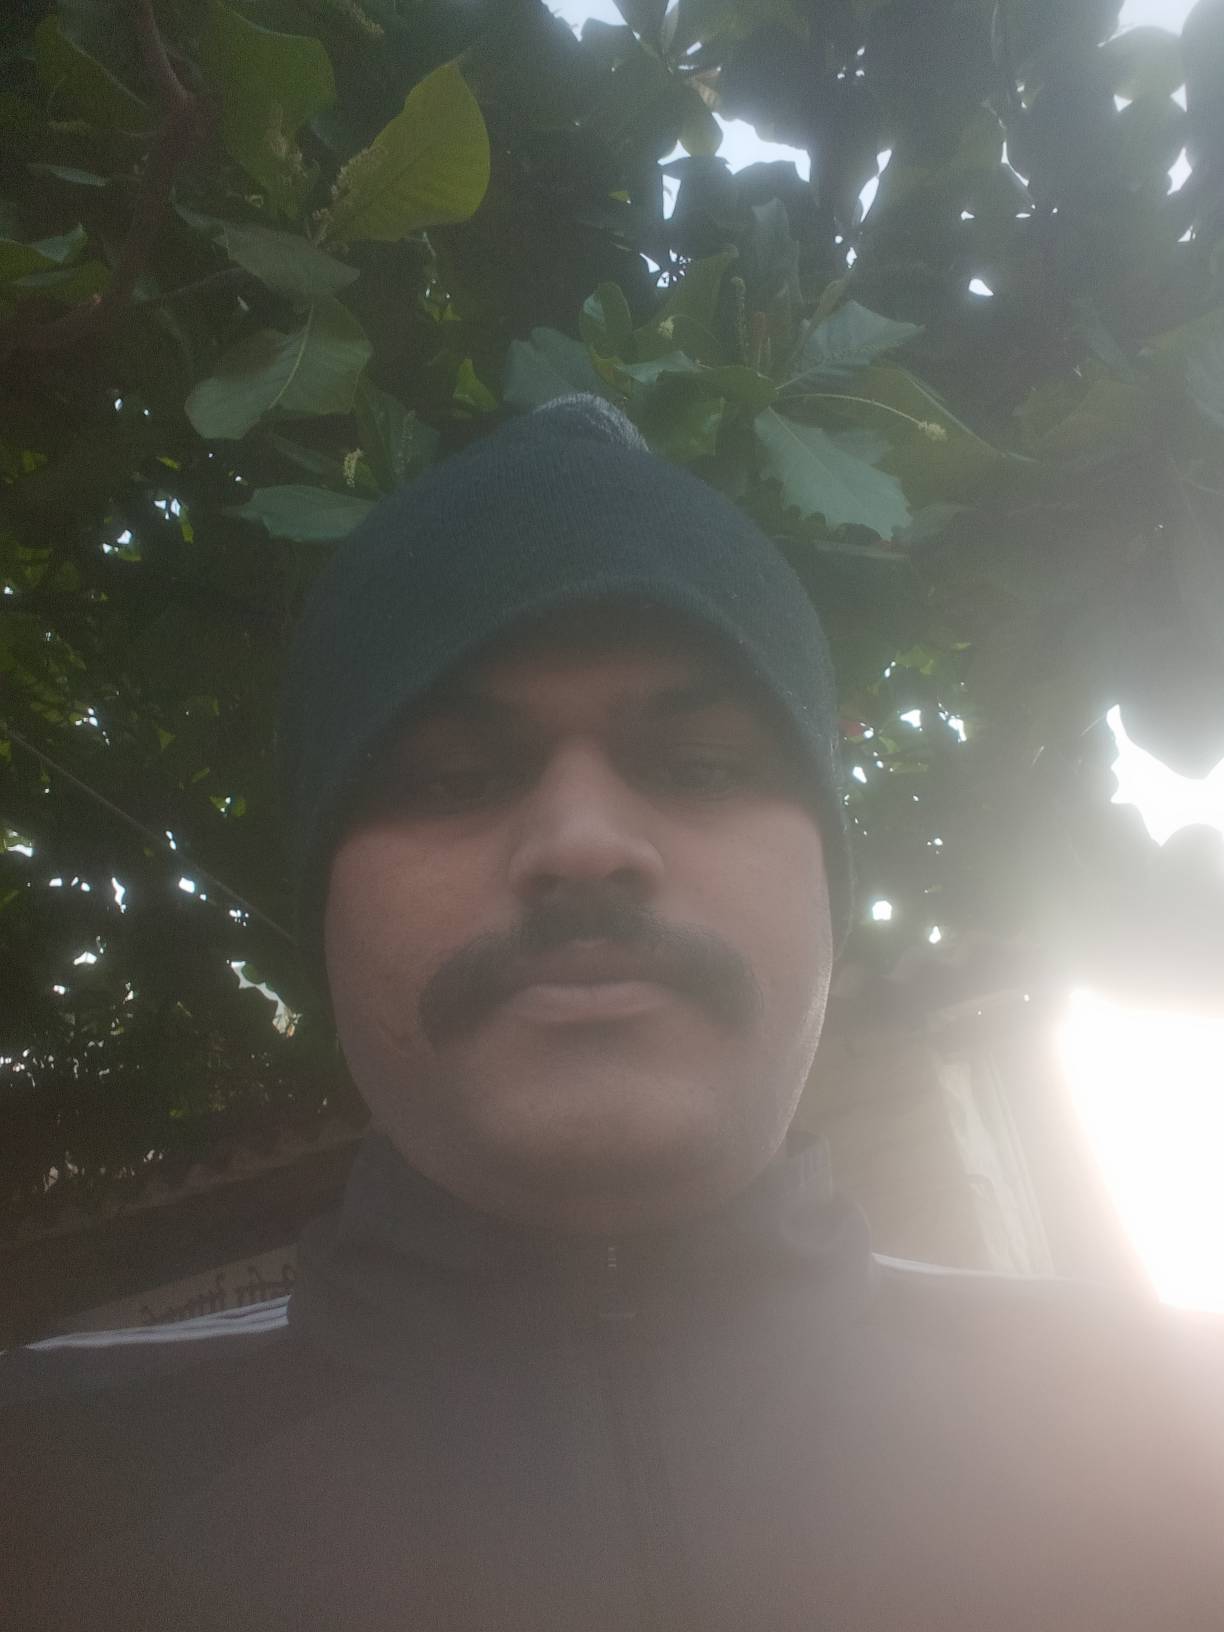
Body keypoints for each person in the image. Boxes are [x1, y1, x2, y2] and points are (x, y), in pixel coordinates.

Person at [2, 397, 1221, 1631]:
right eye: (452, 779)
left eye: (704, 767)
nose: (583, 843)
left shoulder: (1184, 1442)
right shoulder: (45, 1495)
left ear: (829, 889)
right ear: (322, 909)